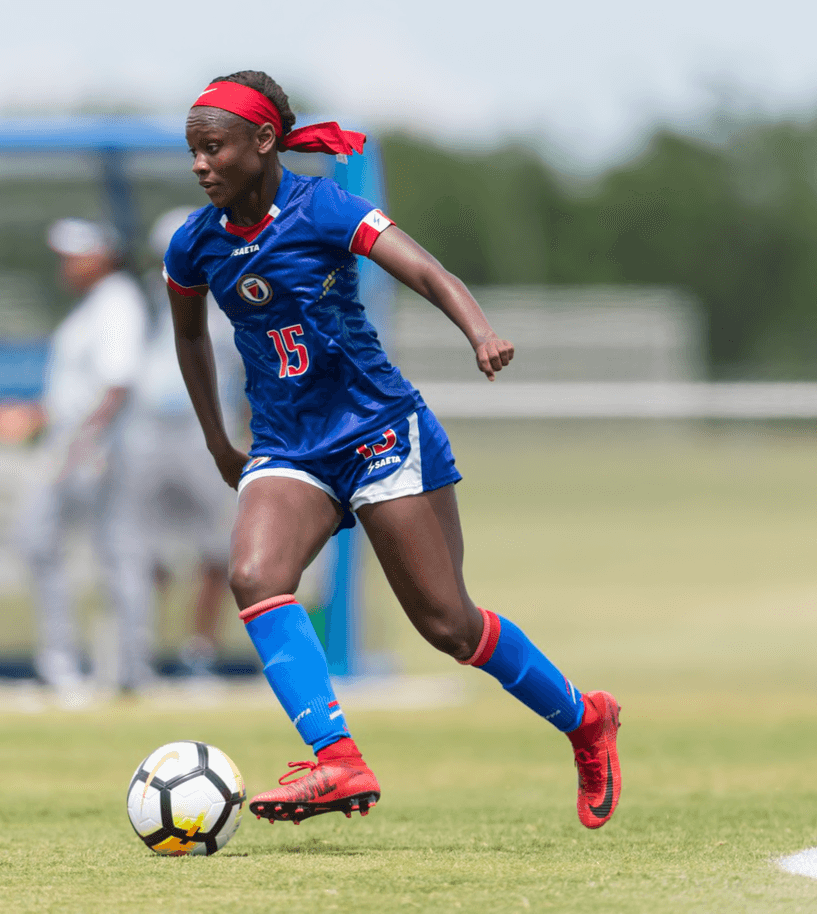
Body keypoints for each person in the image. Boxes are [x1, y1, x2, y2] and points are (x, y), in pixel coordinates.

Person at [163, 71, 622, 829]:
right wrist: (219, 439)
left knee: (450, 626)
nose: (200, 165)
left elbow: (425, 269)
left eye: (212, 148)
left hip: (377, 431)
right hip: (289, 445)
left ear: (264, 141)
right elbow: (187, 337)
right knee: (254, 574)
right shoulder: (195, 244)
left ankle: (585, 720)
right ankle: (336, 758)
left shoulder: (324, 208)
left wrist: (480, 330)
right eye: (193, 151)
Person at [16, 218, 150, 701]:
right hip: (76, 442)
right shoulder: (94, 306)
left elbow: (117, 385)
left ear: (102, 257)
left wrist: (84, 442)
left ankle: (127, 667)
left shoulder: (117, 302)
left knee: (114, 552)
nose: (66, 267)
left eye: (74, 256)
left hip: (96, 447)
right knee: (42, 543)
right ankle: (66, 665)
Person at [128, 208, 245, 678]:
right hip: (148, 435)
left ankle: (201, 653)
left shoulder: (234, 306)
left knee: (216, 548)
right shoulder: (141, 311)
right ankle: (141, 651)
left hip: (208, 438)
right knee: (144, 548)